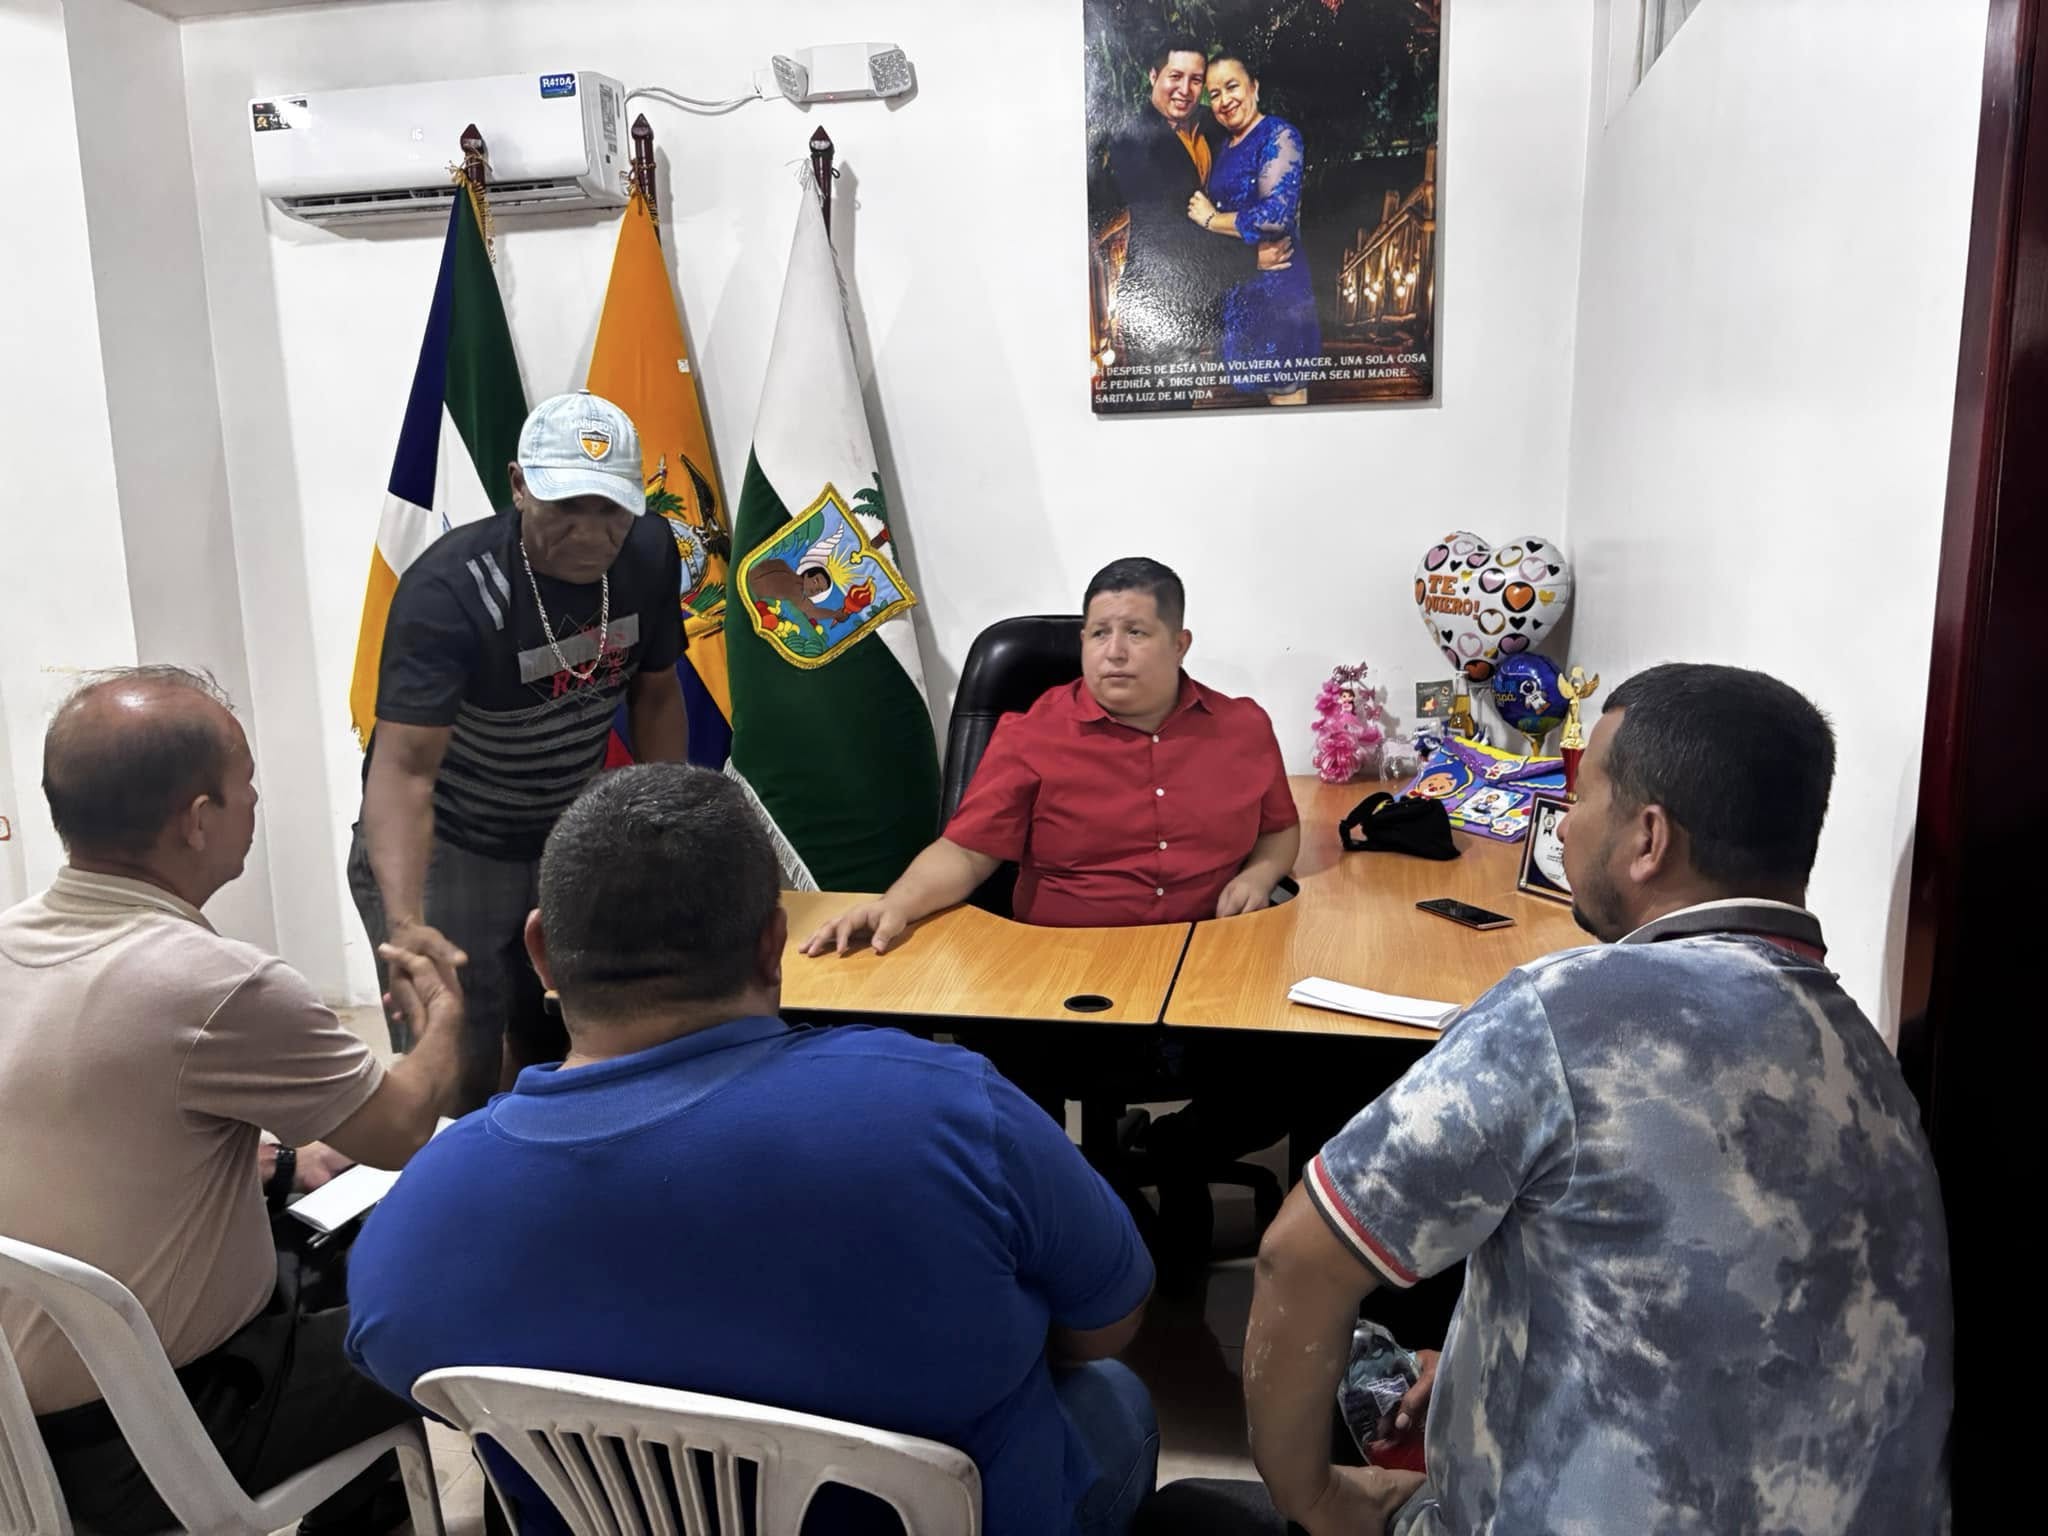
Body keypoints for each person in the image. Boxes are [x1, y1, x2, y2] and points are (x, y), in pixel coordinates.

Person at [1145, 663, 1954, 1535]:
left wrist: (1318, 1499)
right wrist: (1475, 1367)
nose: (1562, 825)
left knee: (1185, 1515)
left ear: (1649, 839)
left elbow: (1295, 1260)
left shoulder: (1569, 1010)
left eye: (1582, 796)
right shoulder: (1870, 1058)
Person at [344, 764, 1160, 1536]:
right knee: (1110, 1398)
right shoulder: (949, 1108)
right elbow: (1104, 1324)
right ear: (774, 942)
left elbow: (412, 1378)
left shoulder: (427, 1208)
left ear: (542, 954)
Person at [0, 666, 463, 1535]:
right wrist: (441, 1016)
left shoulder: (12, 943)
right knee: (458, 1310)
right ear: (198, 819)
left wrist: (280, 1161)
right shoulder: (216, 983)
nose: (256, 800)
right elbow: (401, 1130)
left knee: (322, 1218)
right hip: (162, 1439)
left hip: (18, 1434)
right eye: (246, 780)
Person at [348, 389, 689, 1113]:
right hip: (452, 843)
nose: (591, 533)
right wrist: (407, 925)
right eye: (566, 506)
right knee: (456, 1065)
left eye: (611, 509)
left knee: (578, 1039)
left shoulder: (651, 553)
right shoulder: (451, 591)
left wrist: (662, 835)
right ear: (518, 485)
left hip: (568, 829)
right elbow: (404, 770)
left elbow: (657, 694)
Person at [1105, 37, 1294, 367]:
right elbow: (1172, 231)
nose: (1185, 90)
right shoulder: (1131, 142)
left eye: (1195, 80)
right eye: (1175, 76)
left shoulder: (1211, 123)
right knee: (1165, 396)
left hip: (1213, 302)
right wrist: (1252, 258)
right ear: (1153, 76)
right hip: (1161, 304)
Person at [1187, 55, 1322, 405]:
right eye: (1214, 94)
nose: (1224, 100)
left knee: (1286, 401)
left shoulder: (1279, 134)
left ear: (1254, 87)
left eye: (1232, 87)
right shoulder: (1224, 148)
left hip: (1279, 292)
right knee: (1255, 408)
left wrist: (1211, 219)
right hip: (1242, 292)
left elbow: (1276, 215)